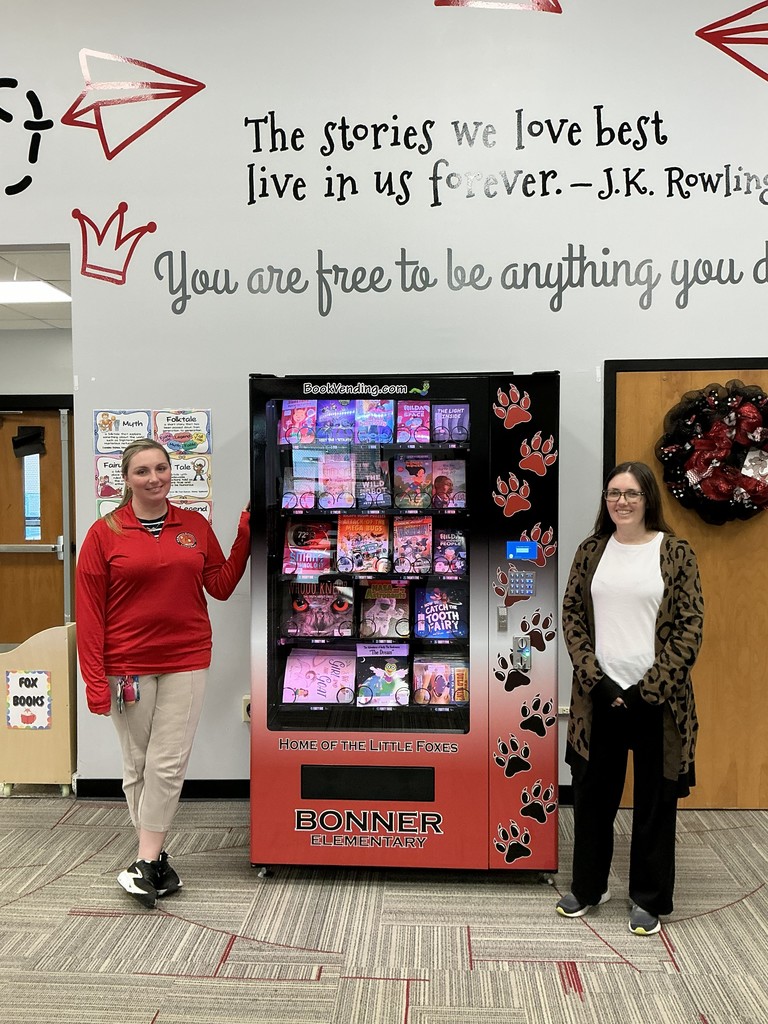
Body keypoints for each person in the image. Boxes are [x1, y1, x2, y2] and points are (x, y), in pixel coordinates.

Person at [76, 439, 250, 909]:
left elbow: (219, 584)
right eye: (142, 472)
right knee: (137, 763)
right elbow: (90, 615)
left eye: (161, 469)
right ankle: (152, 859)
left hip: (187, 658)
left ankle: (145, 860)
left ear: (172, 472)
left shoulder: (192, 526)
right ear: (125, 479)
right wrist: (94, 681)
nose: (154, 478)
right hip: (126, 665)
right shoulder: (103, 534)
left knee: (167, 763)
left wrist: (245, 535)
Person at [557, 461, 703, 936]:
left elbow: (689, 627)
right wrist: (596, 679)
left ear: (648, 500)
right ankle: (588, 886)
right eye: (614, 493)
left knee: (654, 802)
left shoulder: (675, 552)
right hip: (597, 697)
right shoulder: (592, 550)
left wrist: (649, 690)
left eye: (632, 493)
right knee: (593, 797)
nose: (621, 501)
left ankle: (648, 897)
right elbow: (572, 614)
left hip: (656, 703)